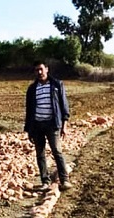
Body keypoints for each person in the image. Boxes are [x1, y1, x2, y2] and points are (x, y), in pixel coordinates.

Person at [24, 61, 72, 191]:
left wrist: (64, 125)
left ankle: (64, 180)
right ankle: (45, 181)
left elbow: (64, 106)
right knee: (40, 154)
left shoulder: (57, 84)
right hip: (37, 125)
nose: (39, 72)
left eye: (41, 69)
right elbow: (29, 110)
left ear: (47, 69)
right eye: (36, 70)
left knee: (57, 151)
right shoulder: (32, 89)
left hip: (53, 124)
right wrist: (28, 129)